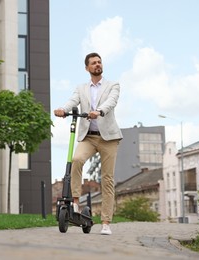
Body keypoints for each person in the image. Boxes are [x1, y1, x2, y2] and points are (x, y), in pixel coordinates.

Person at [54, 52, 123, 235]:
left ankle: (106, 223)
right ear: (87, 68)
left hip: (108, 138)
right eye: (93, 63)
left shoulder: (112, 85)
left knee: (107, 179)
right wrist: (63, 109)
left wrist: (98, 111)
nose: (97, 64)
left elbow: (111, 102)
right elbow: (72, 101)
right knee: (76, 159)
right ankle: (75, 202)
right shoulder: (81, 88)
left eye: (99, 62)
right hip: (89, 137)